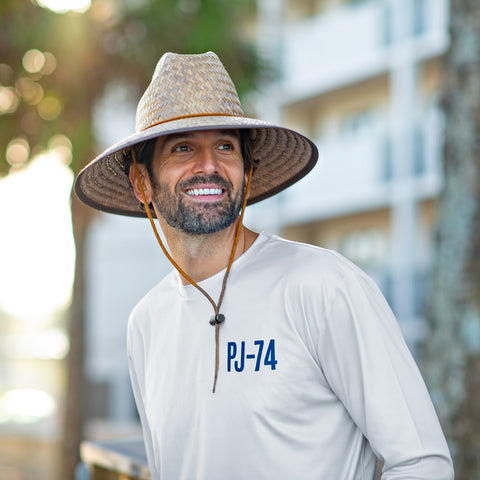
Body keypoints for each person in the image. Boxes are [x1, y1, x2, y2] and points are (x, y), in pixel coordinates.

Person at [75, 52, 454, 479]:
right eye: (183, 148)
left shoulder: (324, 286)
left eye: (225, 146)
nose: (209, 166)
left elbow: (422, 463)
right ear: (142, 182)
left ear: (246, 171)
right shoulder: (145, 323)